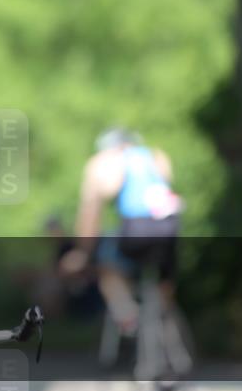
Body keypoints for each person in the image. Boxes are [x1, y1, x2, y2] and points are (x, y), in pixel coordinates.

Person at [59, 128, 182, 334]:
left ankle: (128, 317)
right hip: (170, 229)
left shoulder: (105, 161)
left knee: (104, 265)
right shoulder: (156, 156)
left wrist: (83, 253)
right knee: (161, 273)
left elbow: (91, 212)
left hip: (137, 230)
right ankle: (163, 314)